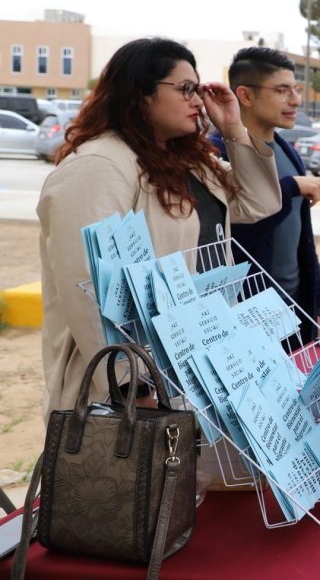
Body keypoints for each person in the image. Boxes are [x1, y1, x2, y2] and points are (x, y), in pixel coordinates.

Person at [37, 38, 282, 418]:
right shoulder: (99, 166)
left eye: (197, 88)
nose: (198, 100)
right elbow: (88, 285)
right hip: (123, 399)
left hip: (184, 371)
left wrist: (234, 128)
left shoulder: (188, 162)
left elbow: (260, 203)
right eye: (185, 89)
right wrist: (134, 386)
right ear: (139, 94)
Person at [208, 47, 320, 344]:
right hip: (246, 314)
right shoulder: (216, 153)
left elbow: (304, 236)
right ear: (245, 95)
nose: (295, 100)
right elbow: (236, 230)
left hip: (295, 308)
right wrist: (289, 188)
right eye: (282, 90)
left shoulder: (286, 150)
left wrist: (318, 301)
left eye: (295, 89)